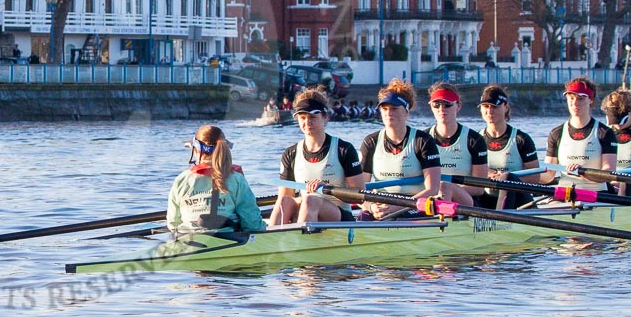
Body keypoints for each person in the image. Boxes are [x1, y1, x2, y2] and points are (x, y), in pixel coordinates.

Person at [360, 80, 473, 219]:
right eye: (384, 108)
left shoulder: (423, 141)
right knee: (364, 217)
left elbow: (431, 189)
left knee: (399, 217)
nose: (388, 113)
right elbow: (359, 189)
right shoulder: (370, 142)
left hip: (414, 203)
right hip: (381, 204)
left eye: (394, 109)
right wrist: (371, 207)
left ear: (406, 112)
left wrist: (397, 206)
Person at [270, 87, 366, 226]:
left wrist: (327, 187)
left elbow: (359, 196)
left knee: (311, 200)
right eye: (303, 118)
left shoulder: (344, 149)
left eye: (313, 117)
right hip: (307, 209)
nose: (307, 122)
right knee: (285, 200)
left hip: (338, 214)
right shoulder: (290, 153)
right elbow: (286, 195)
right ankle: (270, 239)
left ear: (325, 117)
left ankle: (300, 242)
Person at [165, 125, 267, 236]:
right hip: (229, 243)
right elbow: (253, 225)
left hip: (188, 243)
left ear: (196, 151)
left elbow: (173, 224)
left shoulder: (181, 180)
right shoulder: (237, 180)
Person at [546, 77, 617, 195]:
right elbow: (548, 175)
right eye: (571, 98)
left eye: (580, 98)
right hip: (565, 192)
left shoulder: (604, 133)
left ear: (591, 100)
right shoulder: (556, 133)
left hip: (596, 193)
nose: (574, 103)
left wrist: (583, 172)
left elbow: (609, 172)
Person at [476, 84, 543, 208]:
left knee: (506, 177)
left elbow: (535, 177)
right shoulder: (476, 140)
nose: (490, 111)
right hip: (487, 197)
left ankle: (501, 218)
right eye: (485, 106)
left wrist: (507, 178)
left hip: (518, 199)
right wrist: (491, 174)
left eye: (494, 106)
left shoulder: (521, 139)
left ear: (506, 107)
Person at [422, 83, 490, 202]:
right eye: (436, 105)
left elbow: (479, 189)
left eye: (447, 104)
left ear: (458, 106)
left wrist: (448, 189)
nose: (441, 109)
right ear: (431, 107)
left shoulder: (474, 140)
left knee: (444, 187)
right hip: (432, 199)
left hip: (468, 202)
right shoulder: (423, 139)